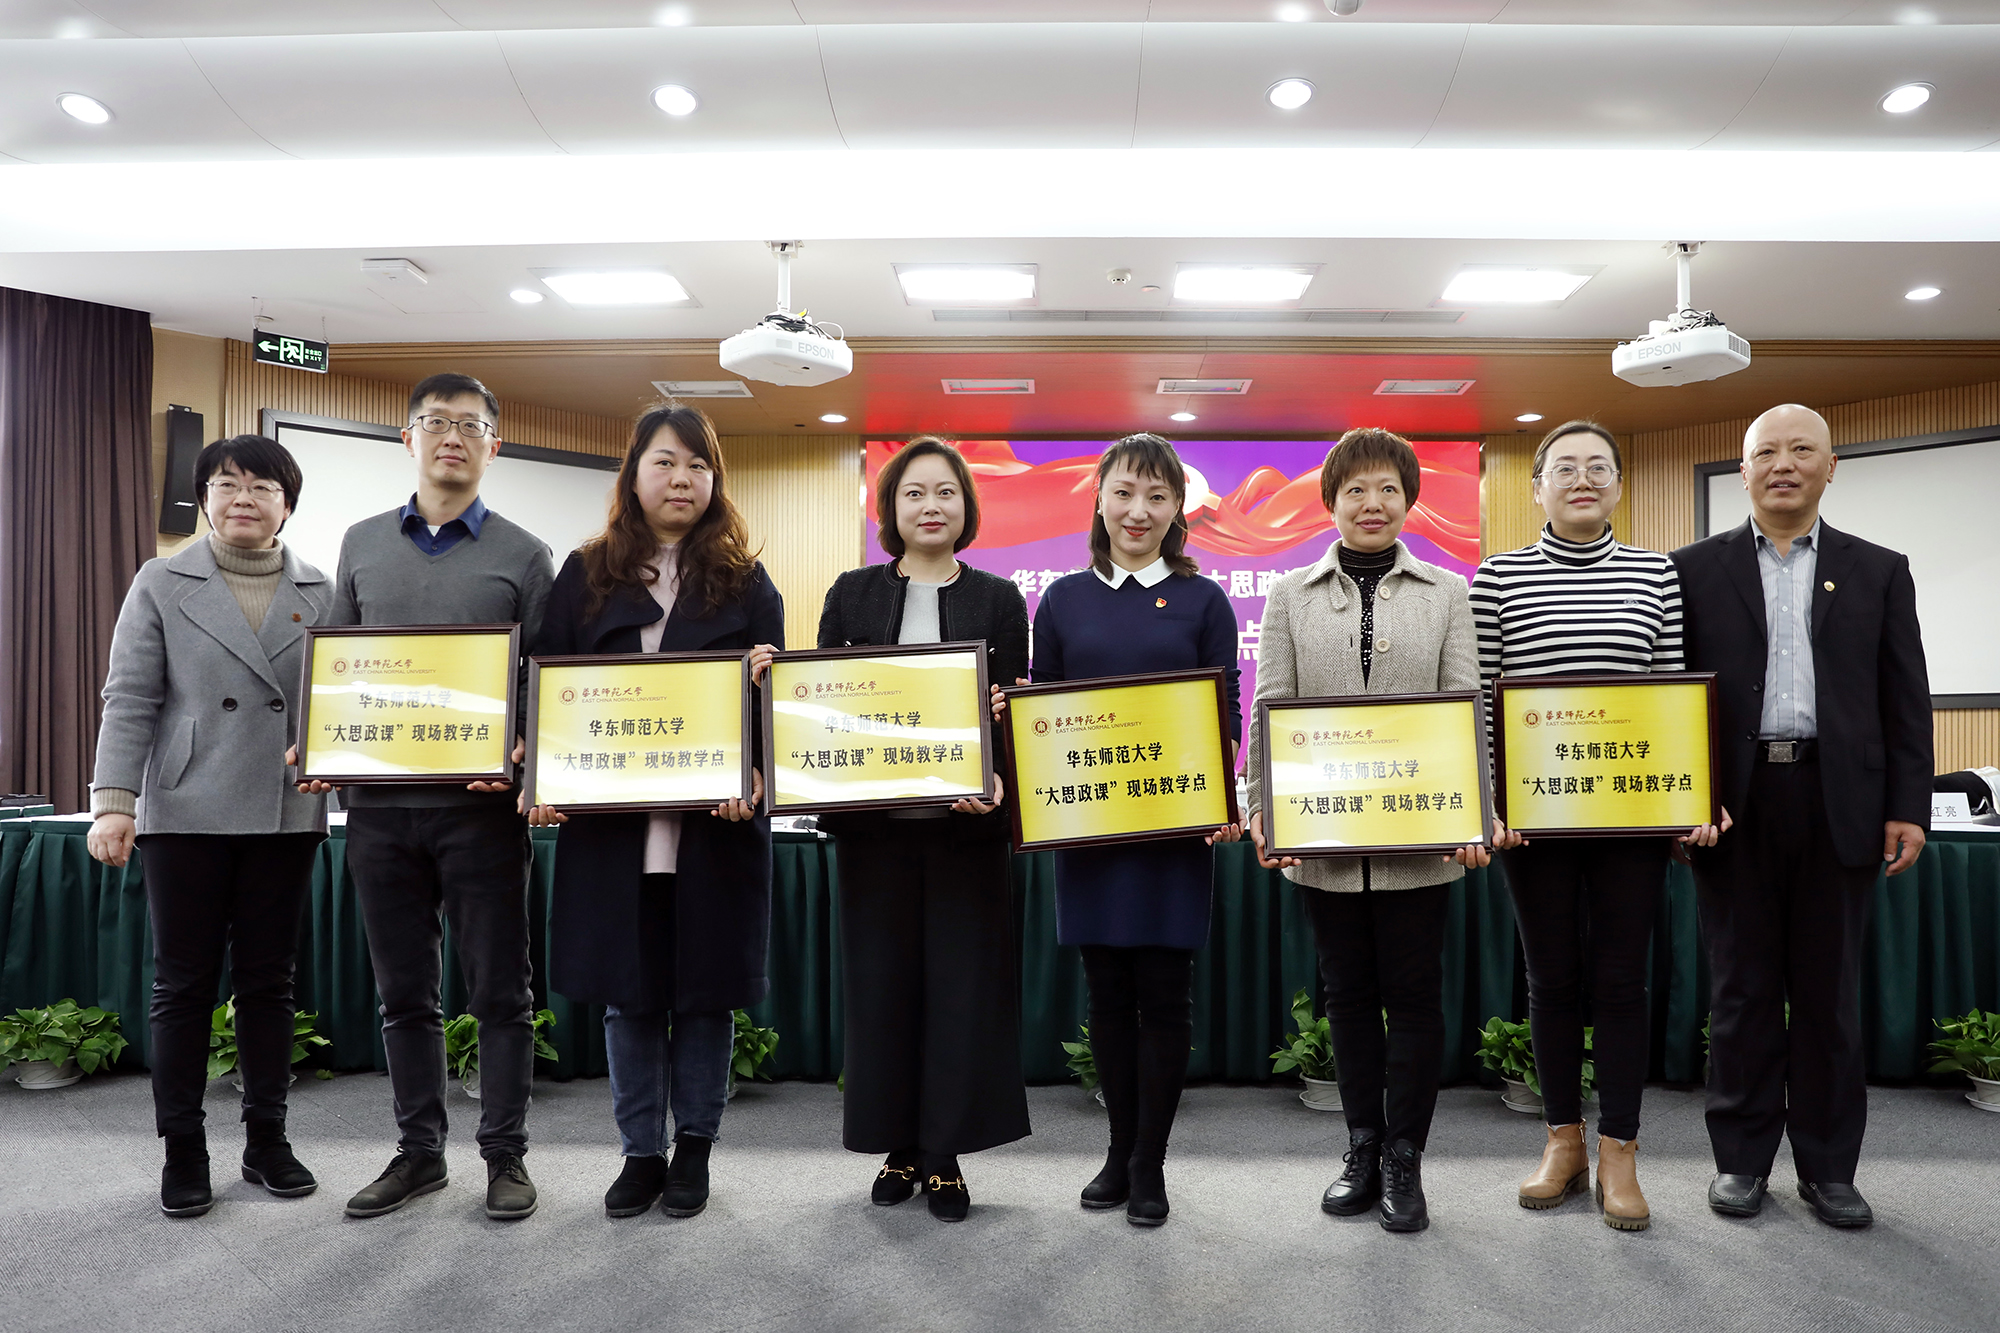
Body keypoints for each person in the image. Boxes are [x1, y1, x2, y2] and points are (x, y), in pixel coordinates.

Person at [305, 373, 556, 1222]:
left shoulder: (526, 554)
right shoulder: (361, 542)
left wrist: (523, 752)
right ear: (408, 438)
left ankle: (505, 1156)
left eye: (471, 425)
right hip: (380, 812)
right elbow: (338, 661)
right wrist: (320, 739)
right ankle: (419, 1153)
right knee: (403, 993)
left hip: (481, 809)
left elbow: (542, 678)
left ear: (494, 444)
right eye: (437, 422)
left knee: (501, 991)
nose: (453, 436)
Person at [1673, 403, 1930, 1229]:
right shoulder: (1690, 570)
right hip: (1733, 807)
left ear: (1830, 467)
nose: (1783, 464)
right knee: (1741, 992)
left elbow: (1905, 697)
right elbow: (1670, 698)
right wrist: (1683, 799)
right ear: (1743, 470)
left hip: (1839, 800)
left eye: (1801, 450)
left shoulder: (1879, 569)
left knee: (1829, 997)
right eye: (1766, 453)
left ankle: (1828, 1168)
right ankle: (1741, 1160)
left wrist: (1908, 805)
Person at [525, 404, 782, 1221]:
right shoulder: (586, 573)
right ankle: (640, 1152)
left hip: (714, 831)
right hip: (613, 835)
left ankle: (694, 1147)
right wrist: (544, 774)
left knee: (705, 994)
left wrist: (756, 763)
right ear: (633, 473)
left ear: (715, 482)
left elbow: (774, 714)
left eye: (699, 466)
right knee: (627, 996)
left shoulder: (747, 581)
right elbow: (545, 683)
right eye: (666, 462)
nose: (683, 479)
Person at [1468, 420, 1723, 1232]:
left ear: (1619, 484)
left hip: (1629, 818)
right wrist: (1492, 804)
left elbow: (1672, 692)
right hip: (1533, 821)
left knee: (1620, 982)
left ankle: (1620, 1150)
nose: (1582, 479)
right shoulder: (1496, 576)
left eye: (1598, 467)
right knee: (1549, 981)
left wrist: (1689, 798)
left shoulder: (1656, 573)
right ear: (1537, 486)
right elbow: (1479, 702)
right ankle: (1562, 1142)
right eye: (1565, 468)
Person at [1246, 427, 1488, 1234]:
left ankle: (1404, 1156)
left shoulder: (1447, 591)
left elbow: (1466, 707)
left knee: (1415, 998)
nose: (1372, 502)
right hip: (1324, 840)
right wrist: (1262, 808)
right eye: (1356, 489)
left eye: (1388, 488)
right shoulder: (1290, 594)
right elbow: (1269, 706)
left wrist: (1476, 811)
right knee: (1346, 996)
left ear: (1409, 499)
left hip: (1422, 839)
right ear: (1332, 501)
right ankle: (1361, 1145)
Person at [88, 435, 332, 1216]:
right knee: (184, 983)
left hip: (285, 807)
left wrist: (347, 769)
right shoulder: (160, 580)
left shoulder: (323, 589)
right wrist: (114, 800)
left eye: (263, 486)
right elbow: (129, 696)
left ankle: (267, 1140)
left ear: (287, 504)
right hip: (184, 805)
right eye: (227, 484)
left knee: (269, 982)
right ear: (204, 499)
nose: (243, 498)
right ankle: (183, 1149)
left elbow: (348, 697)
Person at [1015, 432, 1241, 1227]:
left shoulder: (1204, 599)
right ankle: (1117, 1151)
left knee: (1165, 997)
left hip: (1172, 832)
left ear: (1179, 507)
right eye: (1124, 492)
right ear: (1100, 498)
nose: (1138, 510)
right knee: (1107, 995)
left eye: (1156, 495)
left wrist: (1219, 793)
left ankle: (1151, 1162)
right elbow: (1043, 706)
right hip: (1090, 830)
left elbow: (1224, 712)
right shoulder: (1063, 599)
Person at [815, 436, 1030, 1224]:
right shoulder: (851, 592)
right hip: (875, 836)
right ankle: (897, 1145)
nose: (930, 505)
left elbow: (1012, 713)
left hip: (964, 834)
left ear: (966, 506)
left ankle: (944, 1154)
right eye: (914, 492)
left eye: (945, 492)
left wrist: (999, 768)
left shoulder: (1000, 599)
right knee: (883, 991)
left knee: (961, 992)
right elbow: (822, 702)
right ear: (891, 507)